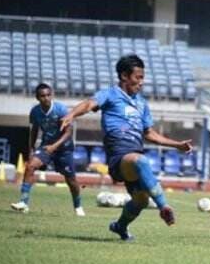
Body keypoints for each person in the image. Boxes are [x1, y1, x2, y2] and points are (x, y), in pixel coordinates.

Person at [60, 54, 194, 241]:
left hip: (134, 157)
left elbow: (149, 133)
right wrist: (72, 114)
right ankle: (164, 206)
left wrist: (177, 145)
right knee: (140, 161)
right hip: (118, 156)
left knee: (141, 201)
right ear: (124, 76)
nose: (141, 82)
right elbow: (90, 104)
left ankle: (120, 226)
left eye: (143, 78)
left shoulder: (142, 103)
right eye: (138, 77)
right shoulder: (110, 94)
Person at [11, 83, 85, 216]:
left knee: (71, 180)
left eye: (48, 95)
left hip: (64, 148)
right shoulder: (35, 111)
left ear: (52, 95)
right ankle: (23, 203)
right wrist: (31, 149)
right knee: (30, 167)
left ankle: (78, 206)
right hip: (46, 146)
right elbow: (34, 130)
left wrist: (54, 146)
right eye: (42, 96)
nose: (46, 98)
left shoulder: (61, 109)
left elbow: (68, 132)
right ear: (37, 97)